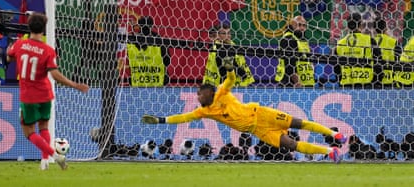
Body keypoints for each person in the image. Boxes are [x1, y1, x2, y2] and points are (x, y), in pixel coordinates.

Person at [141, 58, 347, 163]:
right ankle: (331, 152)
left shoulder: (221, 92)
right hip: (258, 130)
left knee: (299, 123)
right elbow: (183, 117)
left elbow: (230, 79)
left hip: (261, 113)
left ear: (209, 93)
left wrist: (230, 68)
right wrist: (161, 120)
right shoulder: (204, 111)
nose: (197, 96)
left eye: (200, 94)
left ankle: (334, 134)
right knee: (291, 144)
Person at [7, 13, 89, 170]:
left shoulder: (19, 45)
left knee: (29, 132)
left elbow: (9, 57)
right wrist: (74, 84)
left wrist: (10, 50)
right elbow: (54, 74)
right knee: (43, 126)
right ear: (44, 29)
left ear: (29, 27)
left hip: (28, 97)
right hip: (45, 95)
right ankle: (44, 161)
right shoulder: (48, 50)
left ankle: (54, 155)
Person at [334, 13, 382, 88]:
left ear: (347, 25)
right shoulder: (369, 40)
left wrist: (340, 80)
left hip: (346, 84)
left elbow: (336, 68)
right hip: (366, 83)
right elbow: (379, 62)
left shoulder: (339, 44)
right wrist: (375, 81)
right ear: (360, 24)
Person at [127, 16, 170, 86]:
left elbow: (129, 60)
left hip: (137, 83)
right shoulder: (159, 40)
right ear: (152, 25)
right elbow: (167, 61)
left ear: (139, 25)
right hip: (158, 84)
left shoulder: (131, 40)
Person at [275, 15, 315, 87]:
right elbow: (289, 63)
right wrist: (297, 82)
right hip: (291, 83)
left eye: (304, 25)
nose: (302, 28)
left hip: (306, 82)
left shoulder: (302, 40)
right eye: (299, 25)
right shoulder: (288, 38)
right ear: (292, 25)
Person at [374, 17, 401, 88]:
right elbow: (399, 61)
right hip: (390, 80)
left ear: (374, 29)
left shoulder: (370, 41)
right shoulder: (393, 42)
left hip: (374, 80)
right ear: (385, 28)